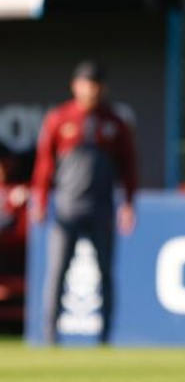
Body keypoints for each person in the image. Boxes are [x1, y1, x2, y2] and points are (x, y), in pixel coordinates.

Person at [31, 60, 138, 344]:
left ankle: (105, 336)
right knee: (57, 272)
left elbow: (128, 166)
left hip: (102, 209)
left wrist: (128, 203)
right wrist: (40, 200)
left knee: (105, 272)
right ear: (75, 86)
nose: (90, 91)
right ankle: (50, 335)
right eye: (85, 84)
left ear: (102, 88)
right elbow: (44, 165)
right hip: (66, 209)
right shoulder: (59, 118)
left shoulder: (114, 122)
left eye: (95, 85)